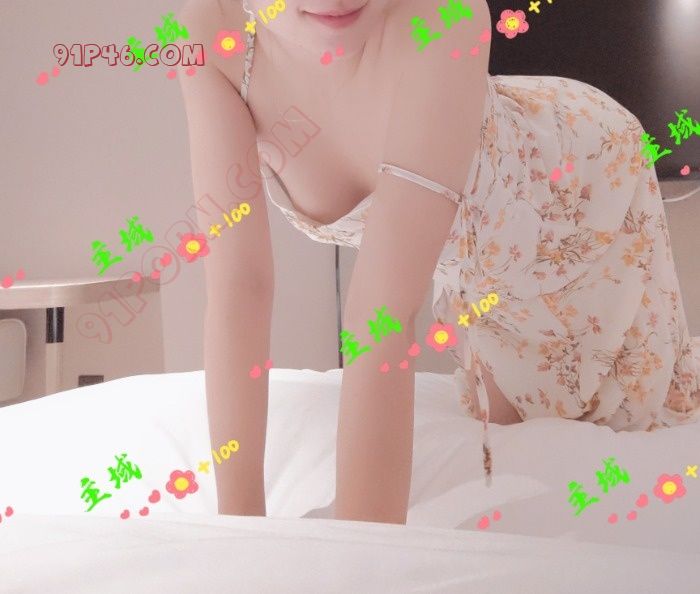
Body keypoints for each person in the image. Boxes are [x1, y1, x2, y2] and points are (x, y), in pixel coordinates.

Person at [178, 0, 700, 525]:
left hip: (585, 177)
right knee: (518, 425)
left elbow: (379, 312)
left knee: (627, 415)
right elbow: (239, 286)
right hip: (477, 264)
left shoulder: (445, 17)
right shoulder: (208, 35)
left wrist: (358, 557)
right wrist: (238, 530)